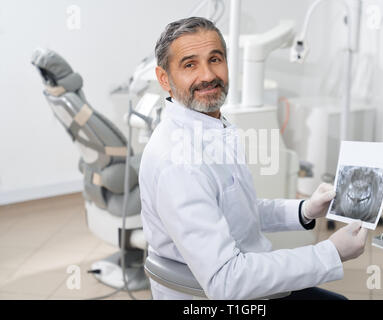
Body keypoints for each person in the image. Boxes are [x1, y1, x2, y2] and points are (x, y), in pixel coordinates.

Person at [139, 16, 368, 300]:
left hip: (252, 279)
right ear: (164, 79)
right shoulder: (178, 162)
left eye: (215, 59)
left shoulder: (212, 128)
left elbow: (237, 212)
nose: (208, 75)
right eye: (190, 65)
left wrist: (304, 210)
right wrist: (330, 252)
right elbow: (227, 281)